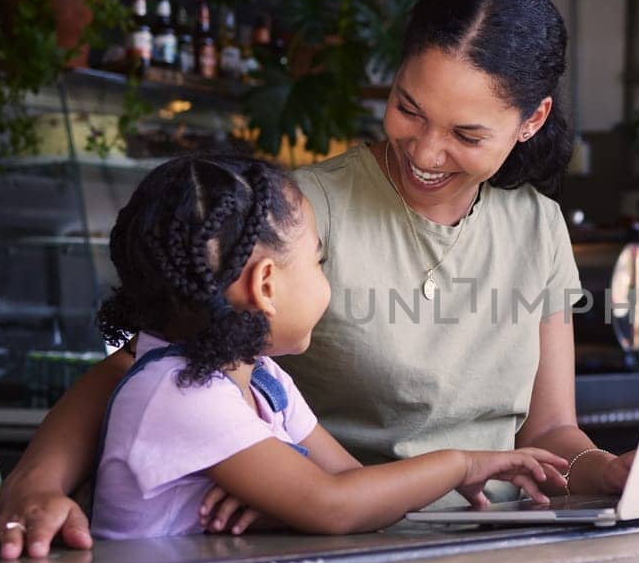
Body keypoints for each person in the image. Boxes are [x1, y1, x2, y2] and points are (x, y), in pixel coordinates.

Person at [0, 0, 634, 558]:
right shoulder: (300, 214)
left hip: (495, 548)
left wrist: (604, 471)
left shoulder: (538, 225)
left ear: (533, 120)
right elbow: (143, 364)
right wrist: (33, 487)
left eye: (466, 134)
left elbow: (546, 433)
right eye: (408, 109)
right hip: (329, 549)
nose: (425, 152)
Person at [87, 152, 565, 538]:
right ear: (266, 286)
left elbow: (354, 485)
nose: (324, 277)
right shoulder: (179, 394)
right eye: (317, 261)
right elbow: (335, 505)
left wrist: (286, 509)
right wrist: (461, 464)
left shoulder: (263, 379)